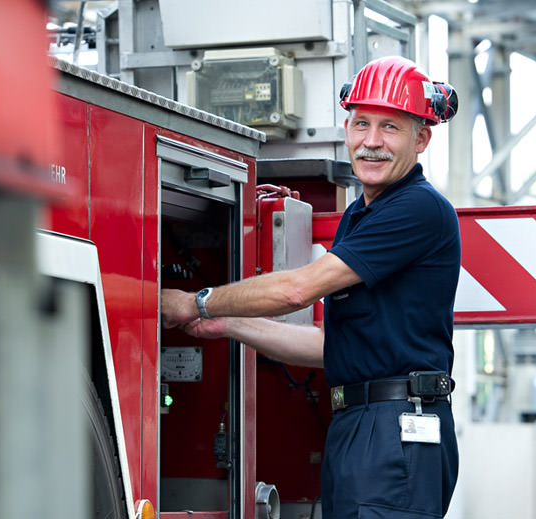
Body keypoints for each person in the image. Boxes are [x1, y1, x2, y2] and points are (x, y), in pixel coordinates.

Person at [160, 56, 459, 519]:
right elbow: (329, 347)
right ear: (346, 129)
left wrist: (196, 302)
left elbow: (297, 290)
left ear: (421, 138)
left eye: (390, 128)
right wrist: (229, 324)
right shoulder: (362, 216)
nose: (371, 142)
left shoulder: (417, 208)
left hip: (394, 431)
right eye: (361, 123)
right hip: (360, 428)